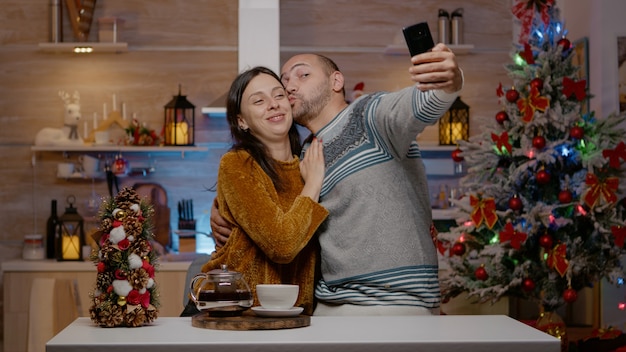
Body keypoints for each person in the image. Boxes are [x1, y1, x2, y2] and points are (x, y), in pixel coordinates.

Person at [211, 45, 464, 315]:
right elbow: (271, 211)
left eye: (302, 75)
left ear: (336, 81)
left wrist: (449, 78)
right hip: (324, 306)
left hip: (393, 303)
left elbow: (424, 102)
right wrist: (221, 212)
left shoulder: (370, 116)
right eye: (285, 81)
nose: (290, 87)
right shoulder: (304, 157)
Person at [196, 66, 328, 316]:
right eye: (258, 101)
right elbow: (282, 245)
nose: (273, 104)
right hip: (237, 313)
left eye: (279, 96)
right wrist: (313, 183)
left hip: (295, 316)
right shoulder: (237, 163)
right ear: (242, 121)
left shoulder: (308, 163)